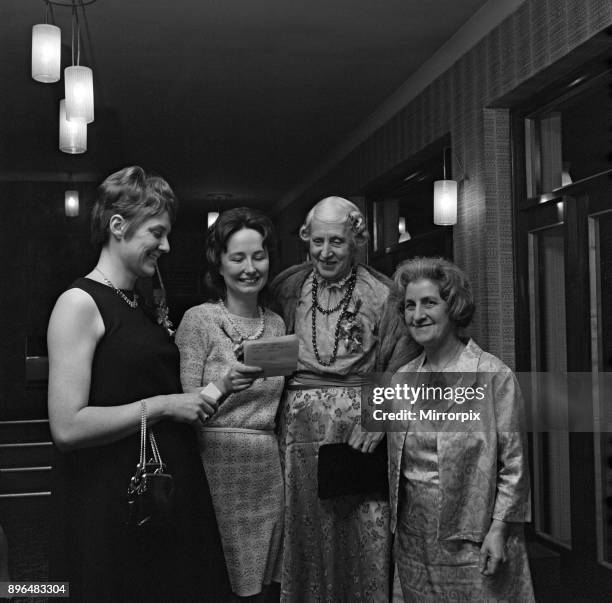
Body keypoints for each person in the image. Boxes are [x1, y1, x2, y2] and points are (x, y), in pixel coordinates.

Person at [47, 166, 230, 602]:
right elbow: (67, 427)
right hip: (113, 500)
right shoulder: (79, 303)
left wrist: (218, 387)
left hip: (159, 495)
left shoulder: (138, 303)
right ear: (118, 226)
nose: (166, 246)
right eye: (157, 232)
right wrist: (166, 405)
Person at [271, 196, 418, 602]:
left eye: (336, 241)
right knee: (306, 533)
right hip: (298, 434)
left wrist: (378, 417)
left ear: (356, 240)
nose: (325, 252)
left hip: (357, 433)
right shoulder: (287, 287)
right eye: (317, 241)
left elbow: (401, 361)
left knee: (362, 530)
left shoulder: (384, 293)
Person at [388, 256, 534, 602]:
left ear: (452, 307)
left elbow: (514, 466)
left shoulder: (494, 375)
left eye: (429, 303)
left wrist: (499, 529)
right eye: (410, 305)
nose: (417, 314)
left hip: (476, 542)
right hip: (414, 545)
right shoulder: (400, 379)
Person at [175, 207, 285, 601]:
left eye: (259, 256)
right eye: (237, 258)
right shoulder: (198, 321)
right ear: (218, 264)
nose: (250, 267)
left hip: (267, 471)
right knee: (216, 584)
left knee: (264, 589)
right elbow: (183, 408)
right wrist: (222, 385)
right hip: (214, 468)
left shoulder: (276, 325)